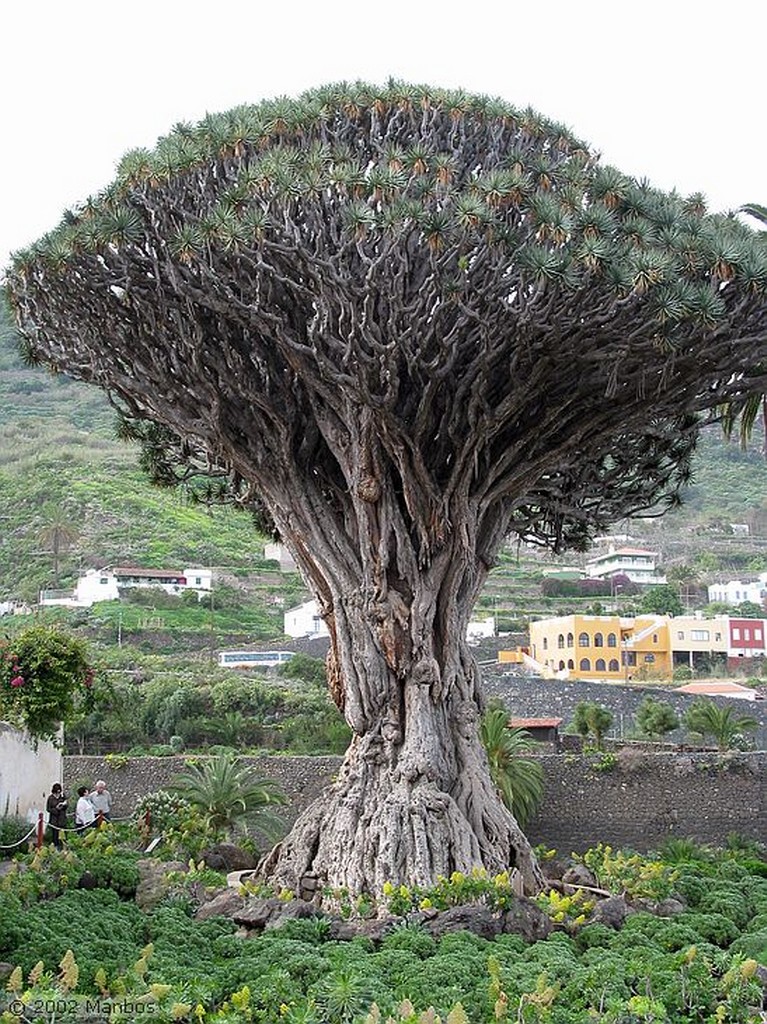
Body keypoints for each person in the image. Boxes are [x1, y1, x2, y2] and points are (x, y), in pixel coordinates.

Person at [46, 783, 68, 848]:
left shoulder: (62, 797)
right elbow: (48, 809)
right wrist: (56, 809)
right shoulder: (50, 798)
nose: (58, 794)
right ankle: (55, 847)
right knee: (55, 835)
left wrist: (64, 805)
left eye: (59, 792)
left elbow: (66, 805)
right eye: (57, 792)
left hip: (62, 819)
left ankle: (63, 847)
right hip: (54, 820)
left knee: (63, 835)